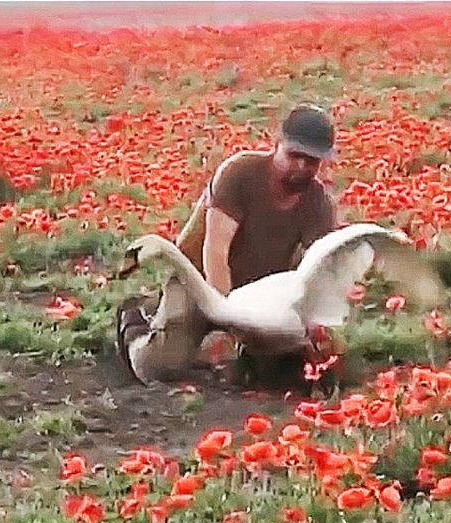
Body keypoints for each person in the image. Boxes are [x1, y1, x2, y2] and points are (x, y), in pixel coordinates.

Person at [115, 103, 339, 386]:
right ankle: (134, 319)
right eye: (294, 156)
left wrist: (313, 326)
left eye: (312, 161)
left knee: (292, 367)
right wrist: (229, 321)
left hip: (257, 294)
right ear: (276, 144)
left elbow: (319, 269)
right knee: (159, 368)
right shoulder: (239, 174)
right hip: (198, 282)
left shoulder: (318, 203)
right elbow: (215, 251)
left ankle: (222, 348)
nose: (302, 168)